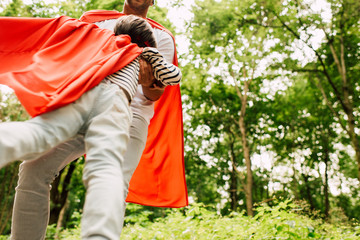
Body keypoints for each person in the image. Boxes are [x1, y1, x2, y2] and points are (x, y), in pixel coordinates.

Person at [1, 13, 181, 240]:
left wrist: (151, 76)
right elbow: (64, 47)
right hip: (82, 102)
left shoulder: (162, 37)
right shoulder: (94, 23)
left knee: (111, 177)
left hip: (127, 115)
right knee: (33, 167)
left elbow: (157, 90)